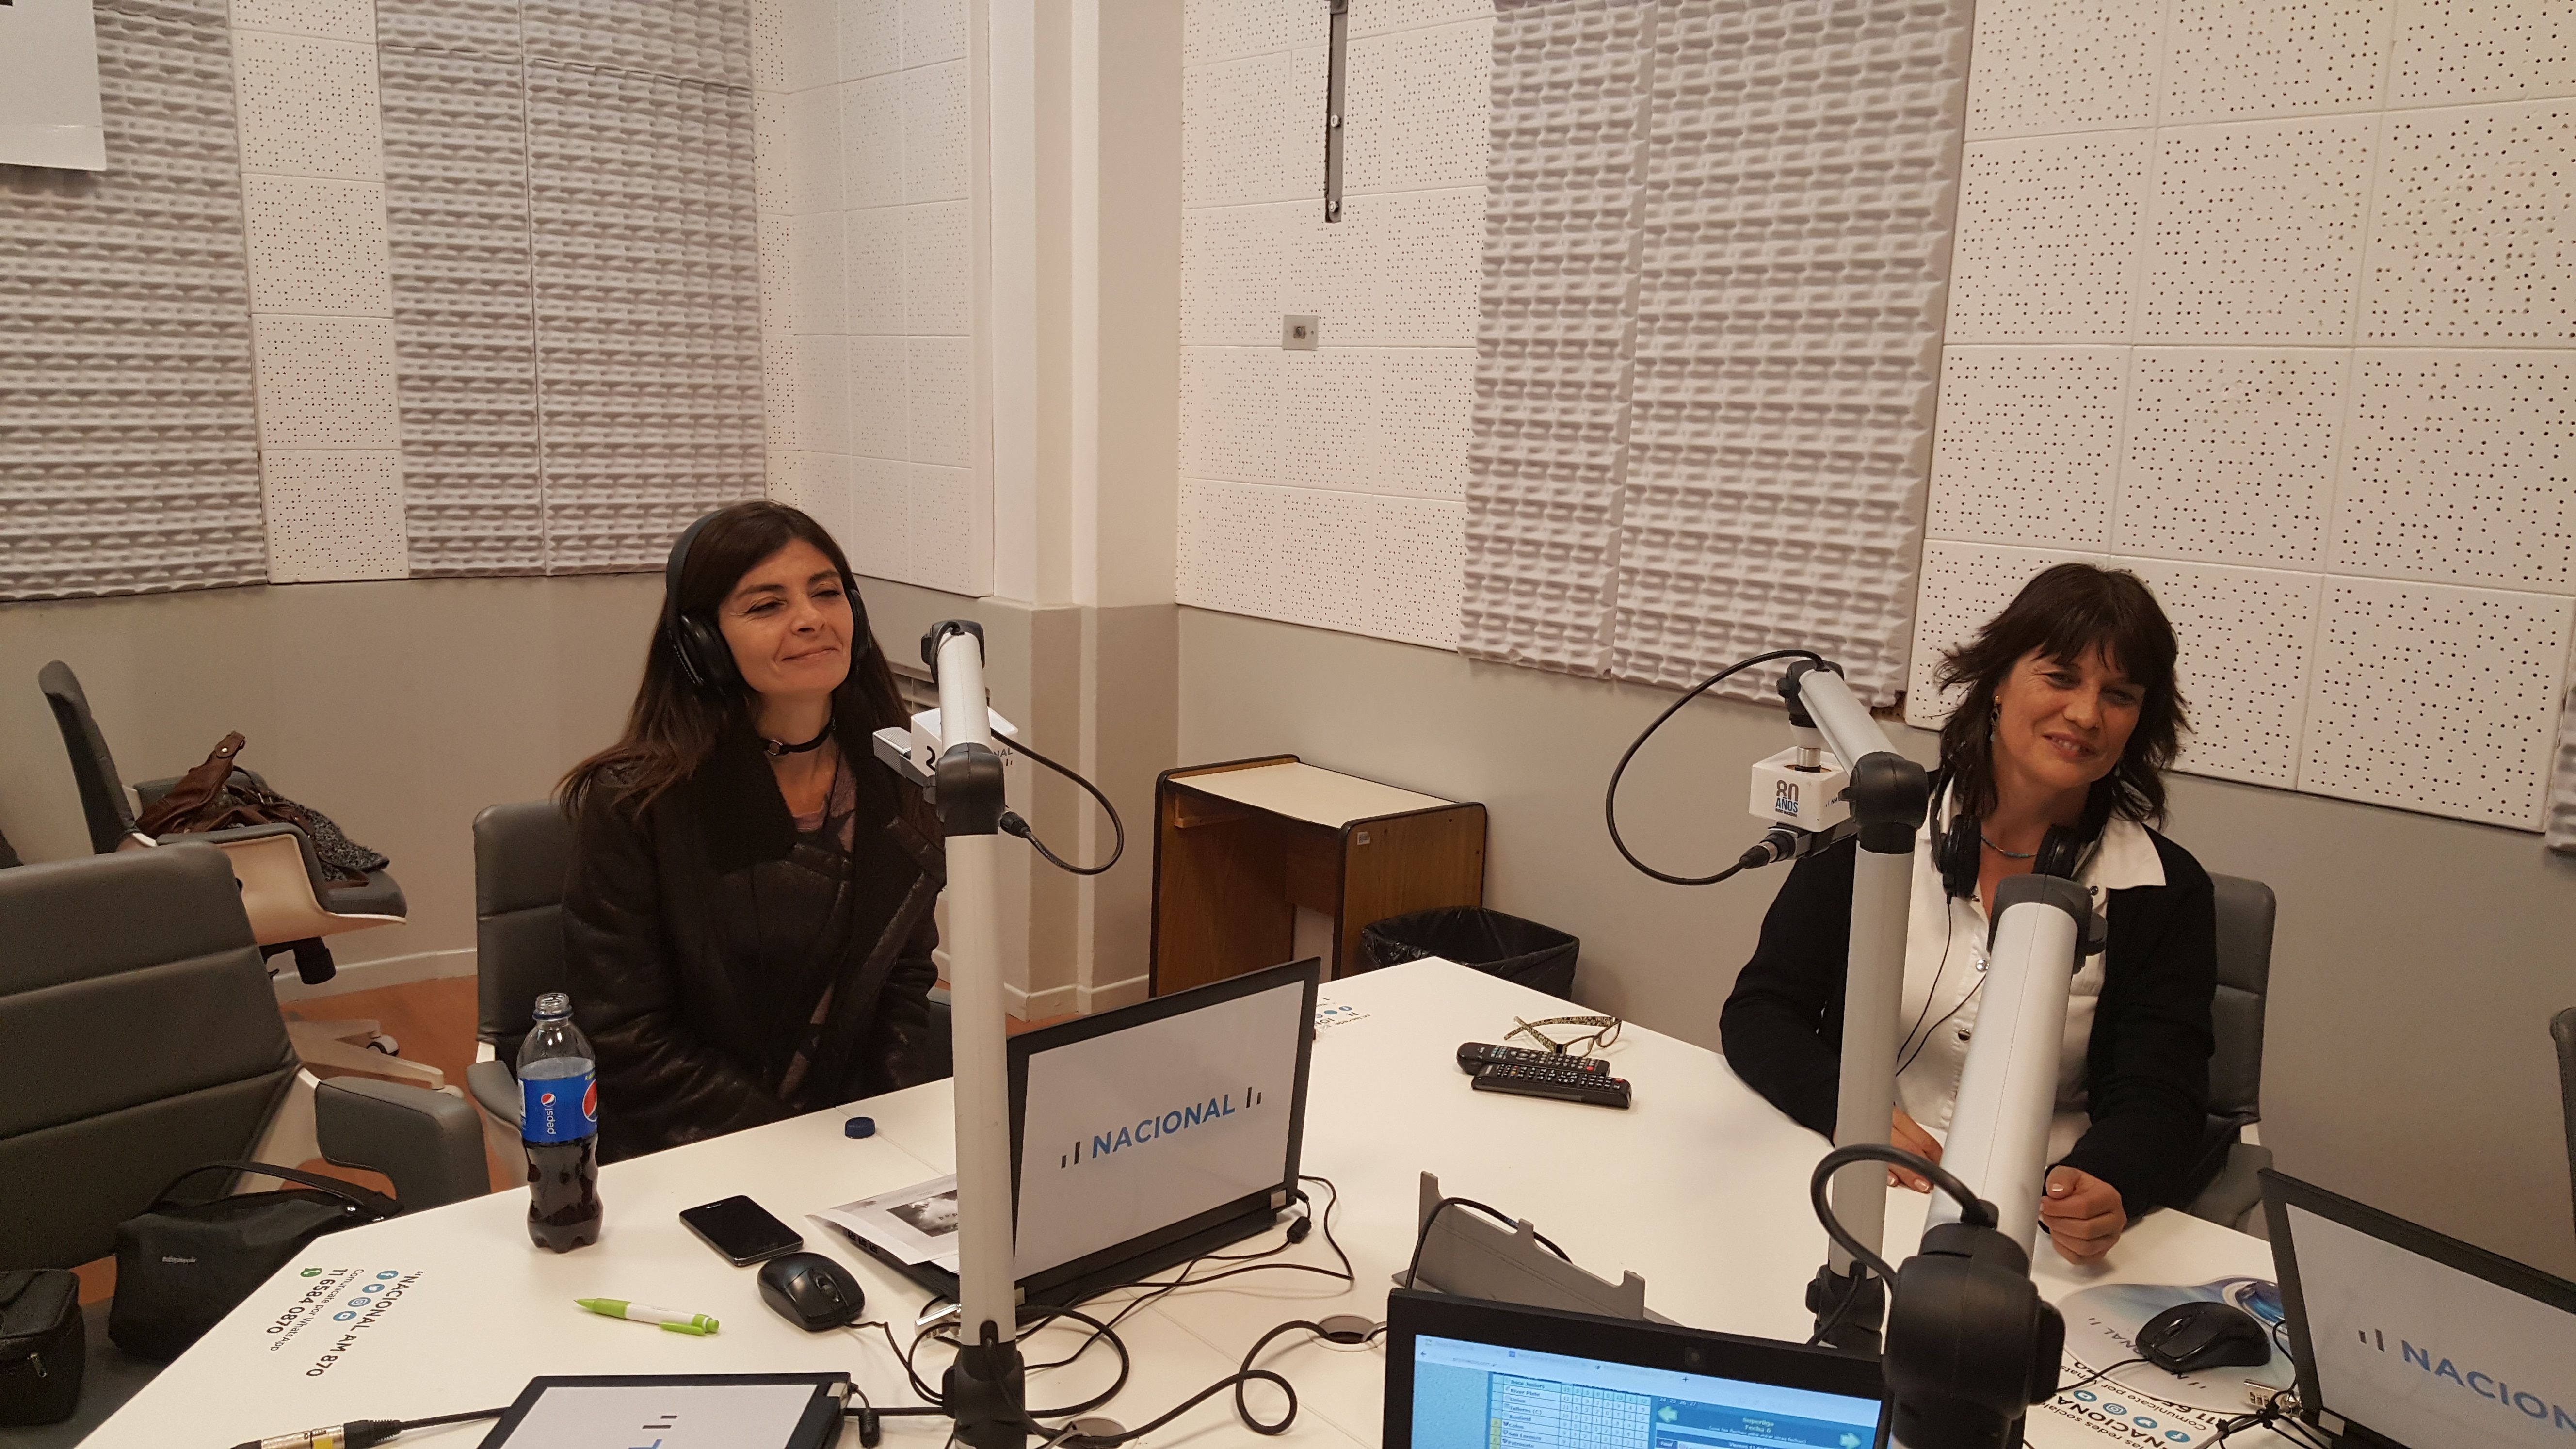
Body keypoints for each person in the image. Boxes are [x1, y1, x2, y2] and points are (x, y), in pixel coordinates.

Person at [1720, 564, 2217, 1264]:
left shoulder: (2164, 889)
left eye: (2120, 696)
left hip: (2029, 1229)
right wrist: (1846, 1108)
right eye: (2061, 678)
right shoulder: (1877, 826)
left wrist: (2109, 1179)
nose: (2086, 715)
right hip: (1856, 1181)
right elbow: (1761, 1012)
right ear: (1998, 682)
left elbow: (2162, 1097)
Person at [557, 501, 941, 1161]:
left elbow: (901, 979)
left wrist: (889, 1140)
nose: (811, 618)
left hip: (851, 1142)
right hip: (694, 1149)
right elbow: (625, 1035)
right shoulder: (639, 804)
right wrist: (789, 1150)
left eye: (827, 593)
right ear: (703, 644)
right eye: (767, 605)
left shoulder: (894, 776)